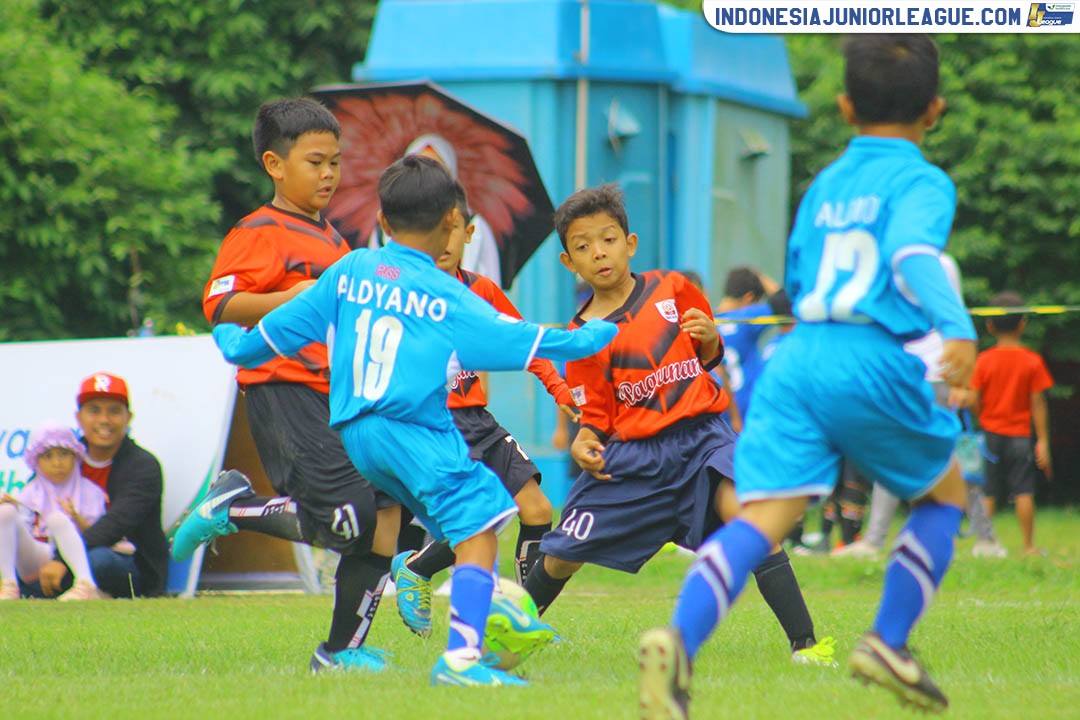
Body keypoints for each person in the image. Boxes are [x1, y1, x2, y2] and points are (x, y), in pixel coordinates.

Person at [638, 35, 977, 717]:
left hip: (799, 359)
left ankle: (678, 641)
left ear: (846, 106)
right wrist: (959, 328)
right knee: (943, 499)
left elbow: (796, 280)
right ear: (934, 110)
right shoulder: (921, 180)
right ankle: (887, 640)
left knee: (762, 520)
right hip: (867, 353)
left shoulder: (825, 182)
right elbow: (912, 255)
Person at [209, 154, 618, 686]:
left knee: (407, 526)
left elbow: (283, 329)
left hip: (355, 431)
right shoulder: (447, 293)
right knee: (481, 530)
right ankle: (465, 658)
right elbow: (520, 341)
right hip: (413, 429)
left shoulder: (351, 268)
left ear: (382, 222)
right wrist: (592, 336)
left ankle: (450, 616)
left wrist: (232, 344)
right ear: (453, 220)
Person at [524, 184, 835, 667]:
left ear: (630, 244)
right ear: (569, 263)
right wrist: (586, 440)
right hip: (633, 462)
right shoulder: (580, 338)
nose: (598, 253)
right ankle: (504, 634)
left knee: (753, 521)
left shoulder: (673, 287)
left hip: (703, 441)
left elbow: (708, 355)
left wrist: (711, 341)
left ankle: (807, 647)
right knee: (562, 555)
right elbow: (597, 416)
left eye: (607, 239)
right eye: (582, 246)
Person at [173, 97, 402, 675]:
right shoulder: (258, 231)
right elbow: (220, 305)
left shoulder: (336, 241)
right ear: (275, 164)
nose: (329, 174)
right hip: (285, 391)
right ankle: (236, 506)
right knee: (349, 518)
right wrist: (292, 297)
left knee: (386, 508)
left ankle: (340, 653)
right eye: (315, 162)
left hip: (340, 396)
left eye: (335, 163)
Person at [390, 187, 572, 643]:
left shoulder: (483, 291)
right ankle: (416, 570)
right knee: (480, 518)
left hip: (478, 420)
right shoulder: (404, 292)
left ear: (469, 234)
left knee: (536, 508)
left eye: (455, 231)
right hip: (434, 424)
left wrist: (560, 389)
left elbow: (527, 344)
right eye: (438, 231)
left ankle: (522, 614)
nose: (447, 241)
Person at [836, 255, 1004, 560]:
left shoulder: (938, 262)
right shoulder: (892, 260)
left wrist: (962, 381)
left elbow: (954, 317)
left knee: (954, 455)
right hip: (903, 374)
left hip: (938, 372)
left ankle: (984, 539)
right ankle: (876, 541)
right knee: (897, 454)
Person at [29, 373, 169, 599]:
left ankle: (78, 589)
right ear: (79, 417)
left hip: (125, 563)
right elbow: (33, 504)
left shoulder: (143, 465)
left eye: (114, 411)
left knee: (99, 561)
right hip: (58, 556)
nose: (104, 420)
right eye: (94, 410)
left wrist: (62, 560)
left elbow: (115, 525)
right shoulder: (62, 456)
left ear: (128, 417)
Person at [966, 291, 1053, 556]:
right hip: (1019, 436)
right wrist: (1043, 440)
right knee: (1024, 490)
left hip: (990, 435)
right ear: (1023, 323)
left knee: (988, 491)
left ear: (989, 325)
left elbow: (972, 398)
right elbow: (1038, 402)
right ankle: (1028, 546)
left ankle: (985, 543)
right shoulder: (1032, 360)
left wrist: (982, 417)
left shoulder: (983, 361)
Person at [368, 133, 502, 286]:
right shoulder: (388, 224)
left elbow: (492, 289)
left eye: (452, 228)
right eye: (420, 168)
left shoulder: (476, 225)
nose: (427, 178)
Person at [0, 423, 109, 601]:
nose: (57, 463)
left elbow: (98, 534)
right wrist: (18, 508)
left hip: (77, 555)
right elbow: (24, 531)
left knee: (57, 519)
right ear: (36, 461)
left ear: (75, 456)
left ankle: (86, 584)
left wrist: (75, 518)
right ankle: (8, 585)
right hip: (38, 555)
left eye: (64, 454)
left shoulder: (91, 491)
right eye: (48, 456)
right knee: (5, 512)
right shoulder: (30, 492)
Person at [715, 266, 783, 427]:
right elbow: (784, 305)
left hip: (719, 419)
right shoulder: (746, 318)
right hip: (748, 416)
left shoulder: (707, 321)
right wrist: (759, 275)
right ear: (749, 298)